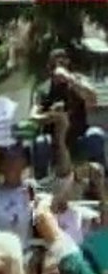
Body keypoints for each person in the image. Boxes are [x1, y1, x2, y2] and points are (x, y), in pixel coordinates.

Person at [32, 48, 104, 177]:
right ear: (50, 67)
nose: (59, 67)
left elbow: (92, 98)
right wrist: (50, 116)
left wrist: (69, 78)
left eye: (63, 63)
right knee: (40, 143)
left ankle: (101, 182)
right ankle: (40, 185)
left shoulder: (77, 80)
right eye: (56, 64)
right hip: (53, 141)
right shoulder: (43, 89)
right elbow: (33, 116)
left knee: (96, 136)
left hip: (78, 138)